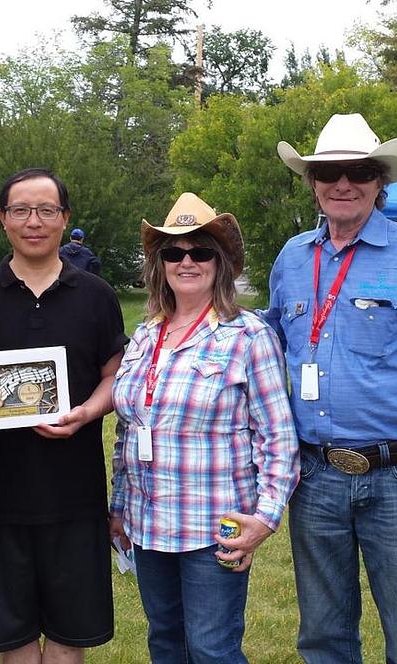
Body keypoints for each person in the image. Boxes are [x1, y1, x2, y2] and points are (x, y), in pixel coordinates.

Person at [266, 113, 397, 663]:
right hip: (314, 477)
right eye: (329, 172)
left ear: (380, 180)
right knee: (323, 639)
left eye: (359, 172)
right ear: (312, 182)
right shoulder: (293, 258)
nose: (343, 184)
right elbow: (264, 347)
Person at [0, 168, 126, 663]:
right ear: (2, 218)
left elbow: (115, 375)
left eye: (47, 210)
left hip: (76, 493)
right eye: (21, 210)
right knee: (14, 638)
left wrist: (86, 413)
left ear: (65, 218)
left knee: (71, 637)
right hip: (2, 495)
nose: (34, 221)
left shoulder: (96, 295)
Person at [110, 193, 298, 662]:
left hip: (212, 525)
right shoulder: (145, 333)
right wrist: (119, 507)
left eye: (201, 251)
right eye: (174, 252)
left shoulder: (248, 335)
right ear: (160, 264)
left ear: (221, 263)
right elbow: (128, 428)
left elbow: (277, 437)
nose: (187, 261)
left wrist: (265, 517)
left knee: (212, 649)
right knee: (165, 643)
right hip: (148, 522)